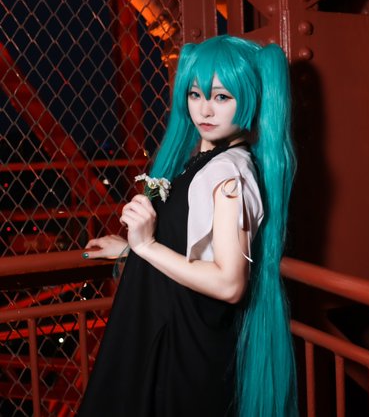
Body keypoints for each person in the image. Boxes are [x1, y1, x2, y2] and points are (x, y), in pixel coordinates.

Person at [77, 35, 298, 416]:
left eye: (222, 97)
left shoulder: (229, 173)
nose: (204, 109)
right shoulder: (210, 161)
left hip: (185, 348)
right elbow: (194, 244)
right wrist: (131, 249)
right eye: (195, 94)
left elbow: (229, 283)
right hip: (177, 336)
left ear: (250, 98)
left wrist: (146, 246)